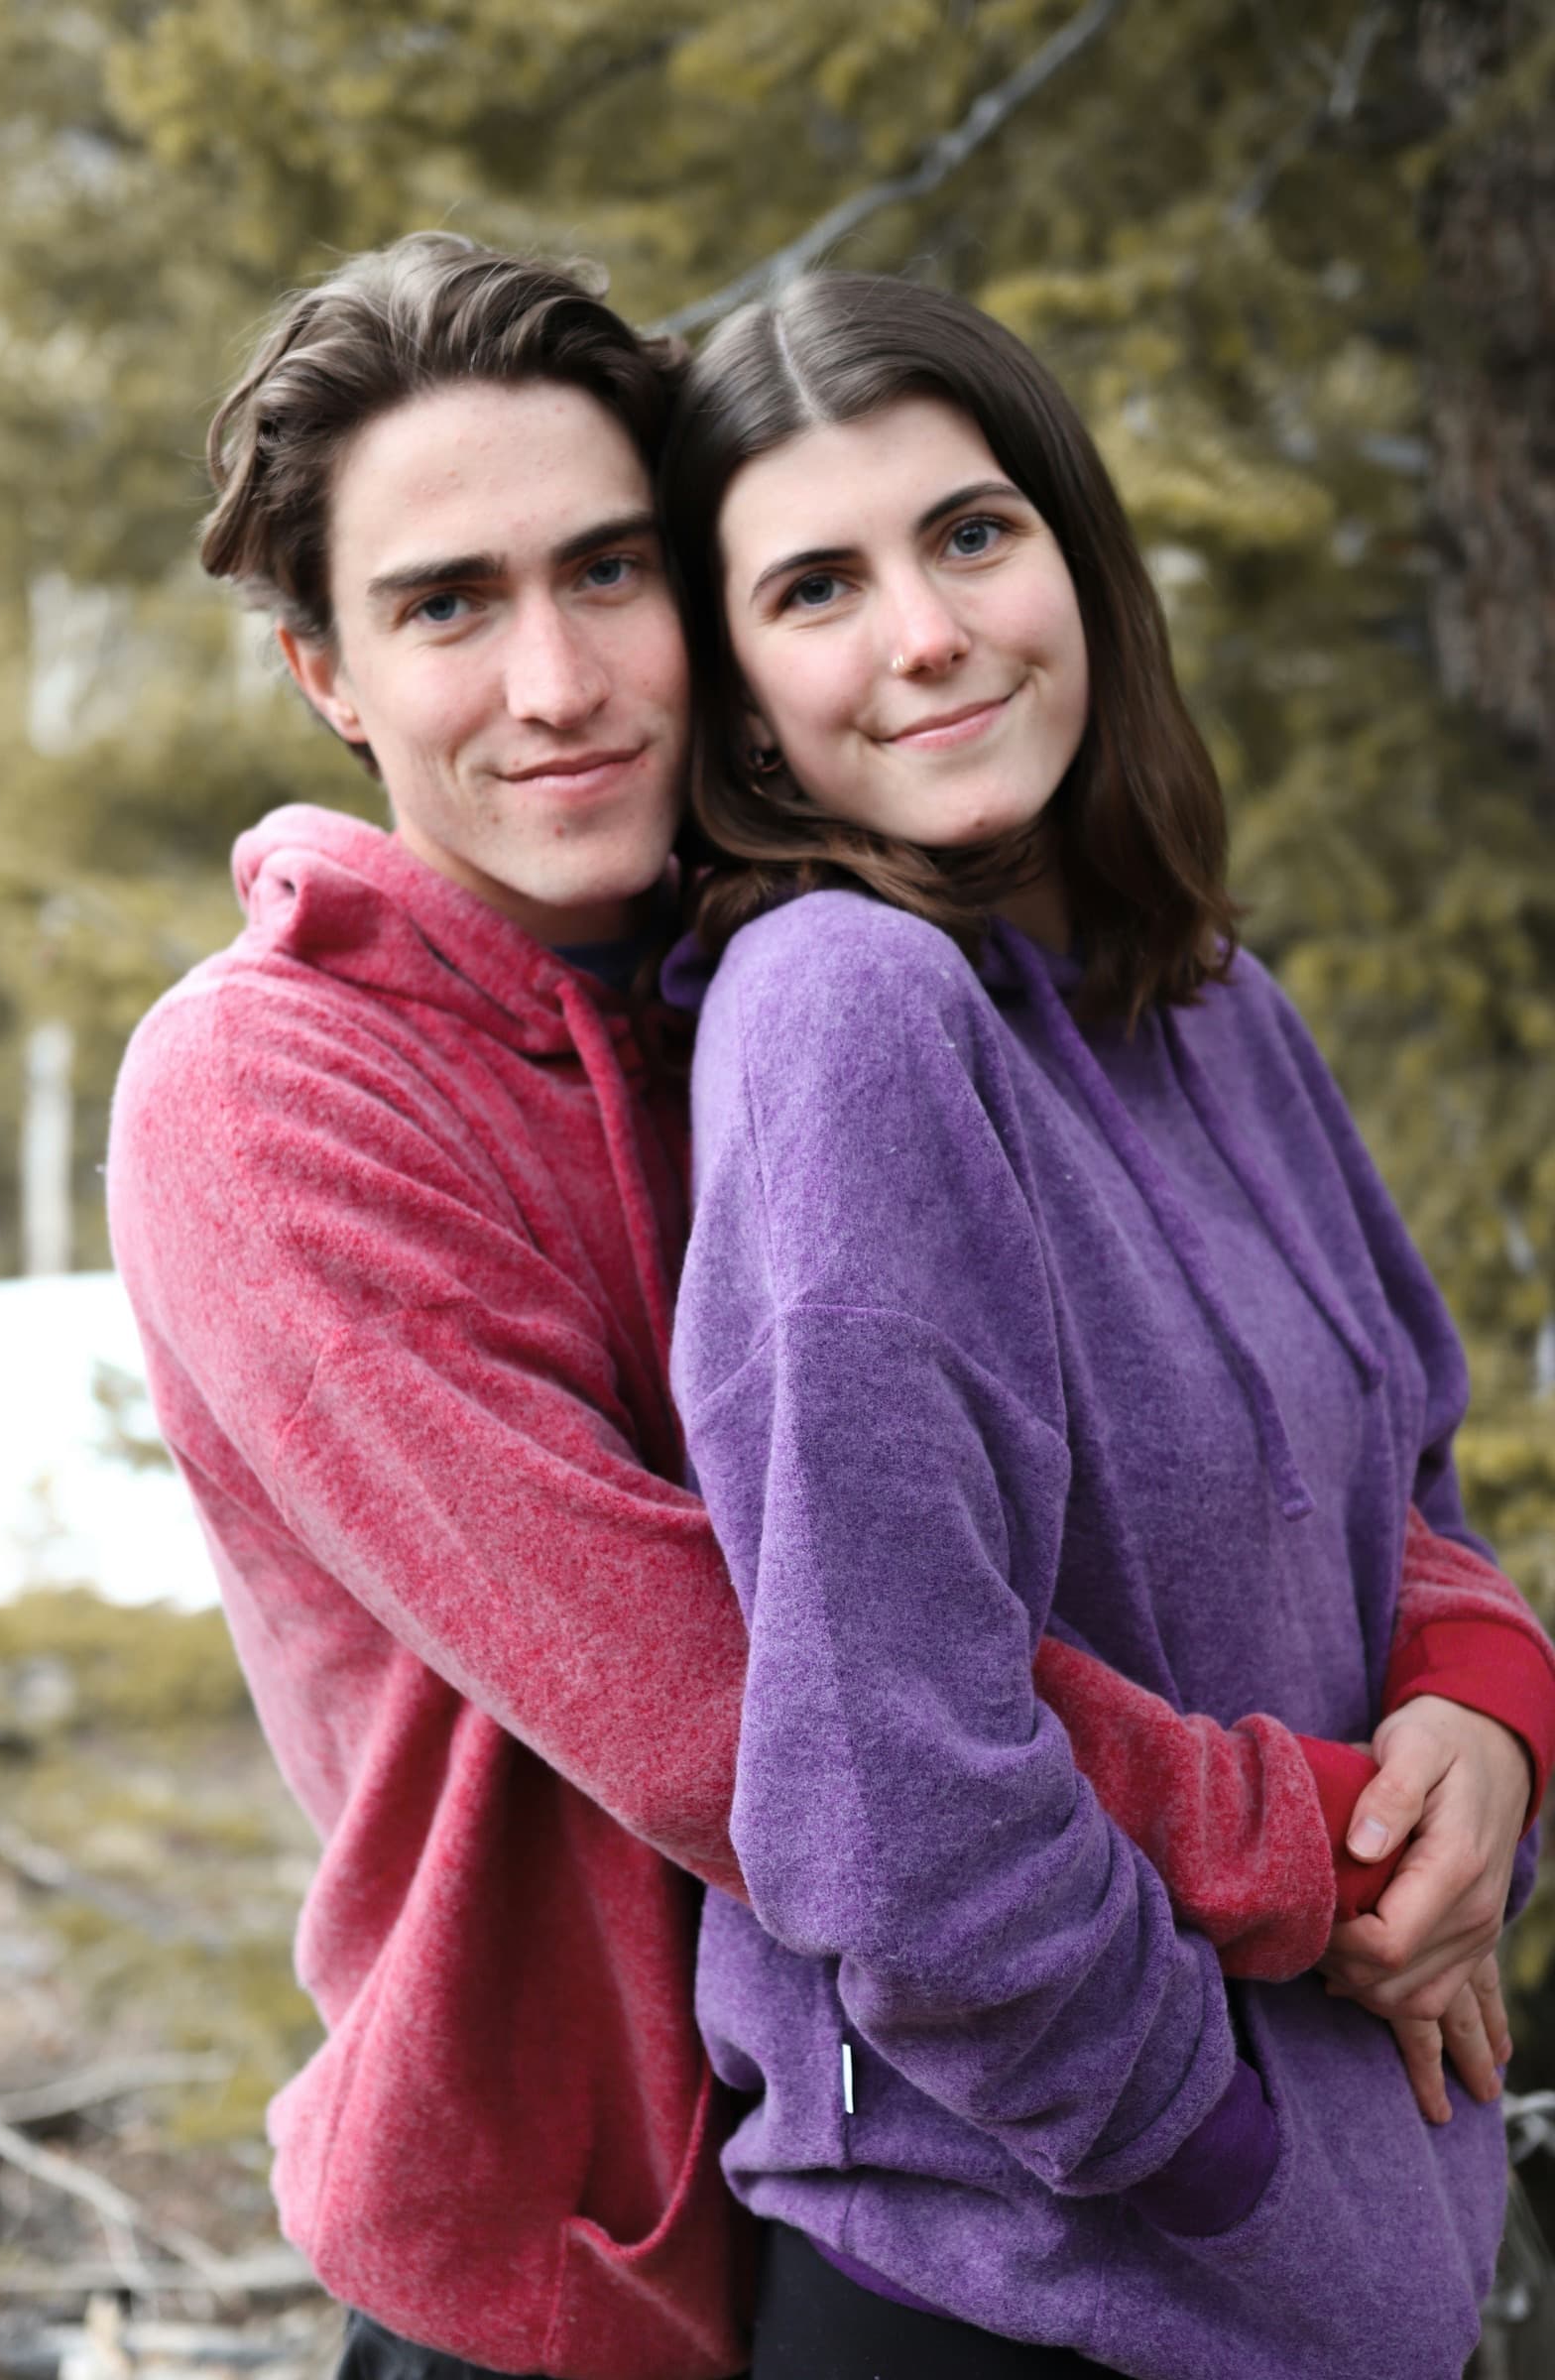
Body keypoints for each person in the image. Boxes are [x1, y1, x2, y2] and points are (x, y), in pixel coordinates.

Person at [105, 234, 1551, 2380]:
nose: (559, 683)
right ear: (325, 669)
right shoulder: (274, 1093)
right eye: (445, 606)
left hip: (929, 2159)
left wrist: (1473, 1690)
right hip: (573, 2255)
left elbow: (1328, 1439)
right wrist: (1329, 1862)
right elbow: (745, 1707)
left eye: (608, 575)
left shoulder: (821, 964)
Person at [656, 270, 1553, 2379]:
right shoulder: (842, 1017)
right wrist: (1212, 2153)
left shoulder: (1212, 1004)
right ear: (738, 700)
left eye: (969, 532)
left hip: (1318, 2259)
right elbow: (888, 1786)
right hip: (1028, 2284)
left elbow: (1400, 1465)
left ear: (1073, 549)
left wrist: (1482, 1711)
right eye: (814, 588)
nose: (927, 632)